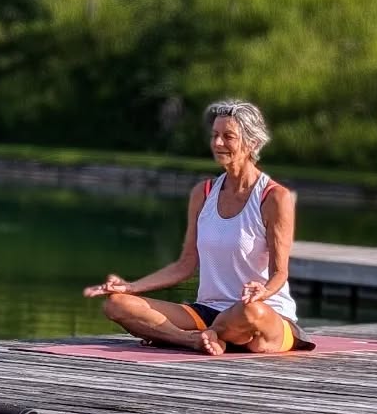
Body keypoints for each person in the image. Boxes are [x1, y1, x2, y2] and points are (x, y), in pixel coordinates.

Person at [83, 99, 313, 355]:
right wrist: (131, 287)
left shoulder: (274, 197)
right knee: (117, 305)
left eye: (228, 136)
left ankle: (203, 335)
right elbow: (185, 265)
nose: (218, 143)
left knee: (251, 313)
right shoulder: (203, 193)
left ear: (252, 143)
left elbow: (279, 273)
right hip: (207, 311)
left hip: (262, 313)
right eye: (215, 135)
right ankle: (192, 340)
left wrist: (263, 291)